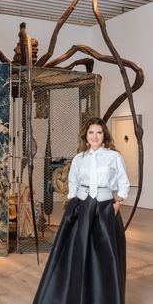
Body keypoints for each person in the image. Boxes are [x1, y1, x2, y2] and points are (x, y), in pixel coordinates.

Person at [33, 117, 130, 304]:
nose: (95, 136)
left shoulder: (114, 157)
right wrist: (73, 204)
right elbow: (73, 183)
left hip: (105, 210)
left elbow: (123, 183)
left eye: (99, 132)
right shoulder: (79, 158)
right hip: (81, 209)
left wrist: (117, 204)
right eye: (91, 133)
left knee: (105, 257)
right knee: (74, 254)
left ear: (104, 136)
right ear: (86, 136)